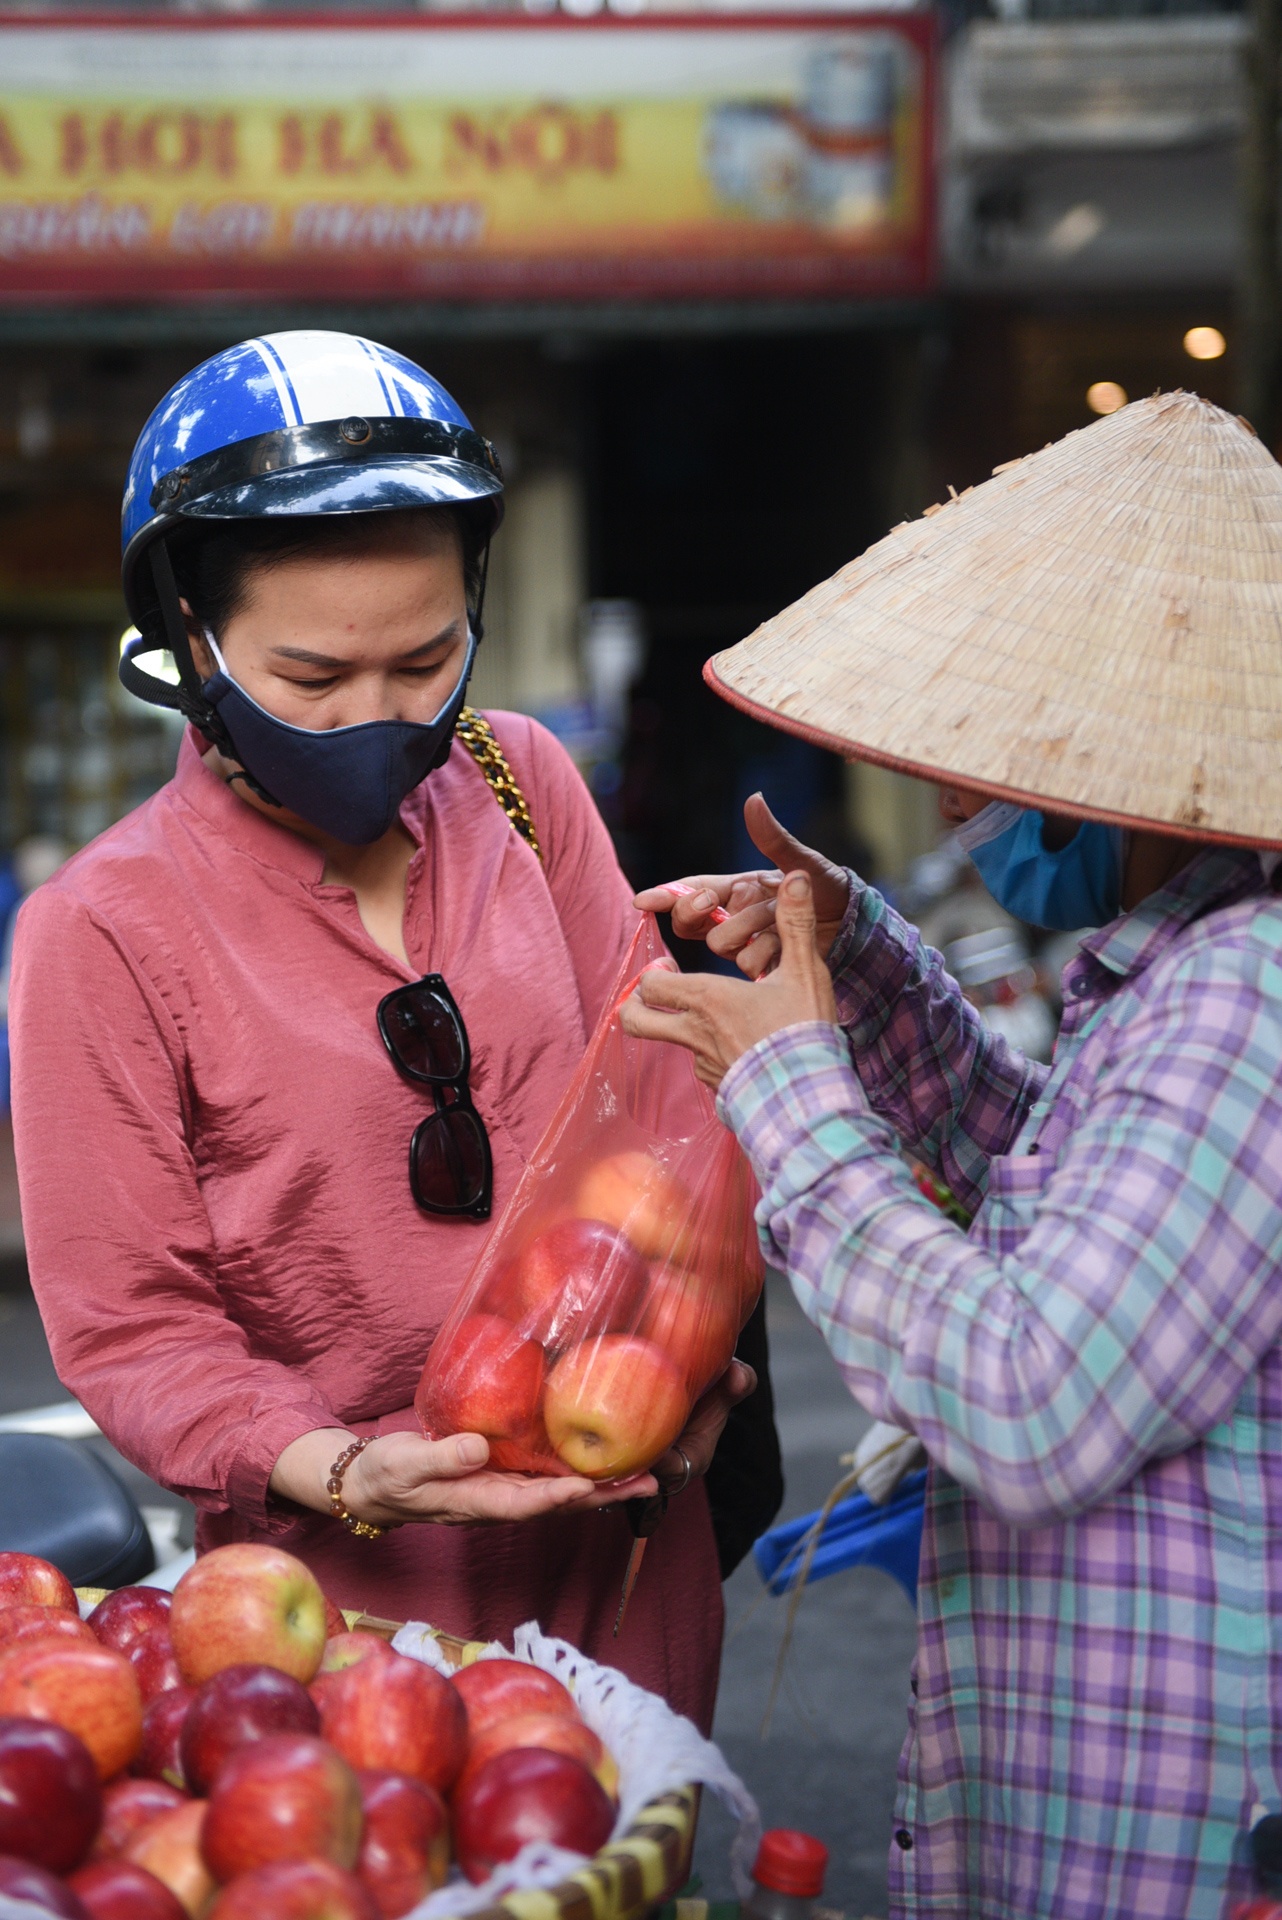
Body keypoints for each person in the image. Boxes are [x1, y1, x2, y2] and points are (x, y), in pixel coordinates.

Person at [8, 330, 751, 1729]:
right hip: (344, 1619)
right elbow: (133, 1327)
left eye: (424, 659)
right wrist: (343, 1471)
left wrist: (692, 1345)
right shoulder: (99, 929)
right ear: (188, 636)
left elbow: (652, 1125)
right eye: (310, 678)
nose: (375, 718)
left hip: (627, 1552)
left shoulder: (522, 781)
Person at [620, 392, 1282, 1913]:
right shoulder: (1170, 973)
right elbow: (1051, 1200)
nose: (953, 805)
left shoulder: (1244, 996)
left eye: (986, 768)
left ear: (1122, 759)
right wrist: (854, 962)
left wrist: (786, 1083)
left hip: (1162, 1852)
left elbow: (1029, 1399)